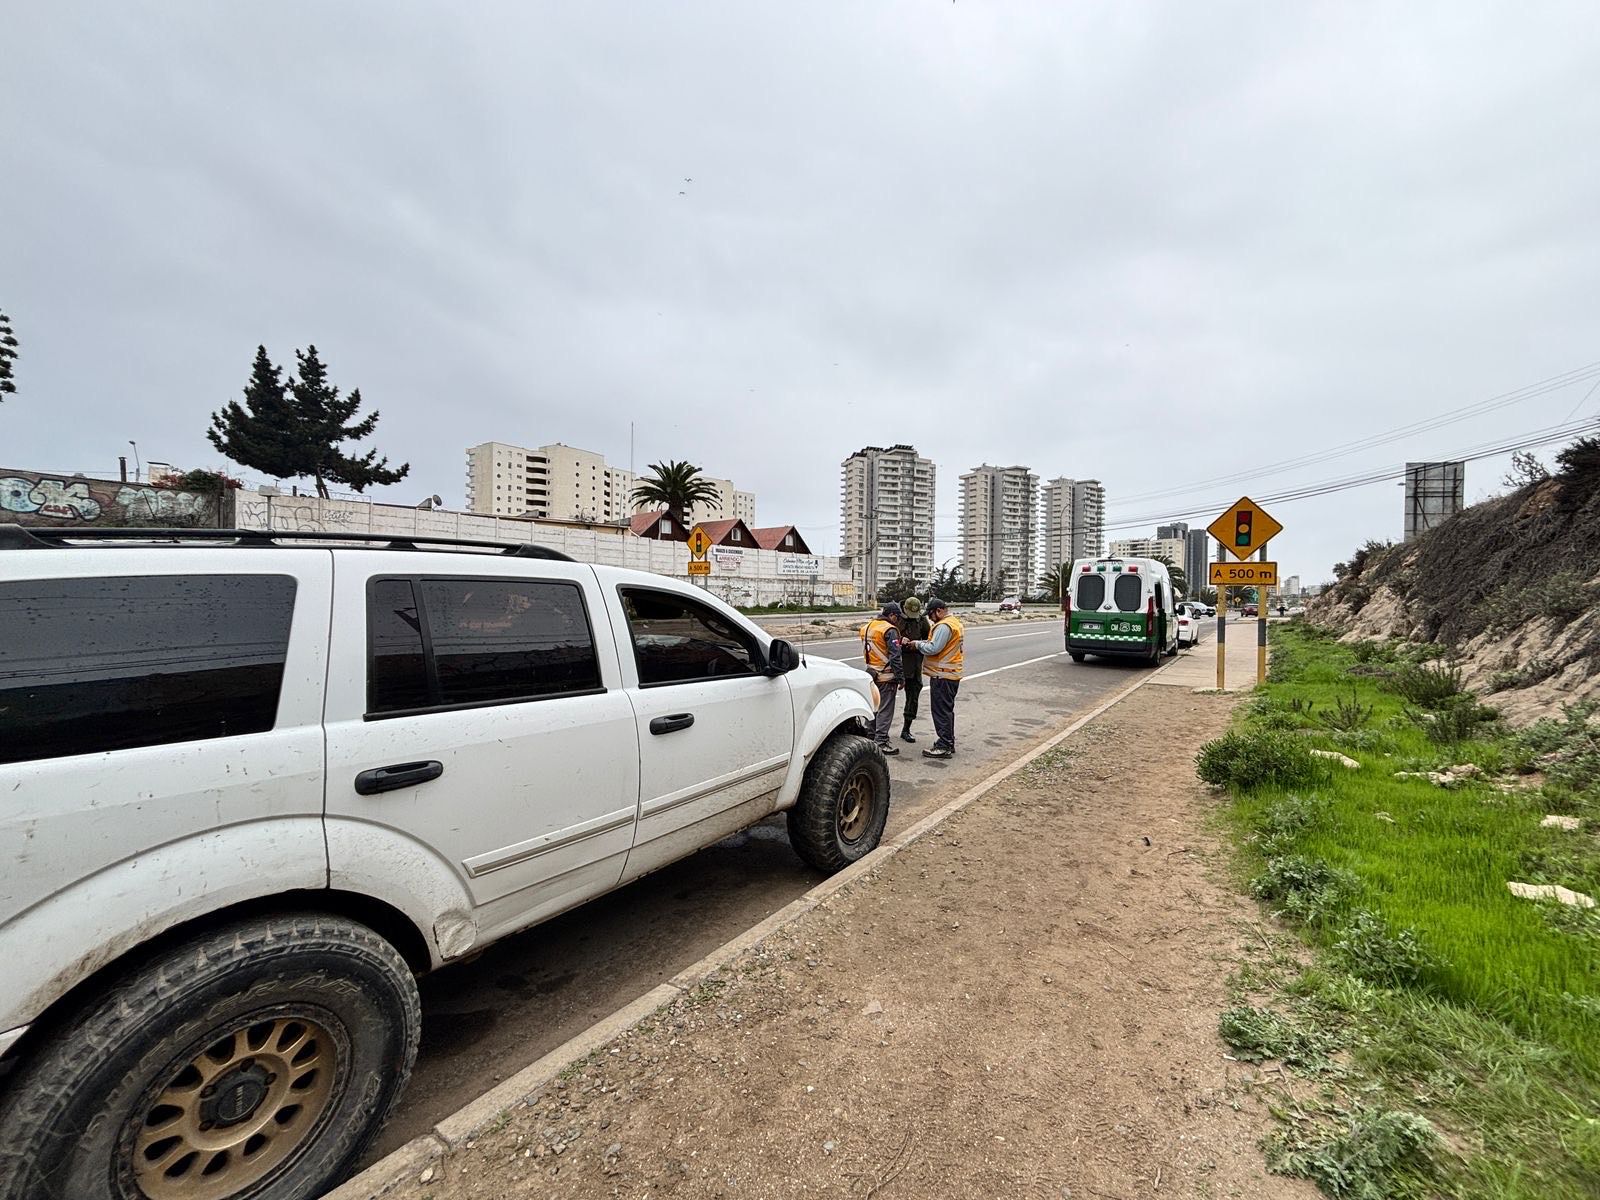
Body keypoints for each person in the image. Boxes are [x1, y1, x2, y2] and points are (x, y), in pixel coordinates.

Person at [901, 596, 963, 759]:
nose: (929, 617)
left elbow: (934, 648)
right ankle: (948, 742)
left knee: (941, 711)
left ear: (939, 611)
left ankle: (943, 745)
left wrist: (917, 644)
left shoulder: (943, 626)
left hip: (943, 675)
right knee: (947, 711)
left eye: (931, 614)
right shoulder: (954, 623)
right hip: (950, 674)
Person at [860, 601, 905, 755]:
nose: (898, 621)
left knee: (873, 707)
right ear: (892, 615)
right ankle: (881, 741)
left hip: (871, 673)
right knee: (885, 709)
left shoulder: (868, 627)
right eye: (898, 617)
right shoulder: (890, 630)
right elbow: (895, 657)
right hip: (886, 676)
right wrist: (901, 678)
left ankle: (870, 737)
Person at [898, 596, 930, 743]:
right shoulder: (895, 618)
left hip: (915, 664)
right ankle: (877, 729)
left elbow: (929, 639)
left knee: (913, 698)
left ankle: (906, 729)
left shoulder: (921, 620)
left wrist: (917, 644)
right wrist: (900, 641)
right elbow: (885, 639)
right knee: (884, 697)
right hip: (896, 663)